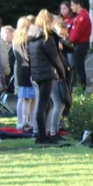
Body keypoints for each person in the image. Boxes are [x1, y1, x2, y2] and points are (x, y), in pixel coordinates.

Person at [28, 10, 66, 145]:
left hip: (36, 75)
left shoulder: (32, 37)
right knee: (43, 105)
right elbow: (55, 59)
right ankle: (42, 137)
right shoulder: (46, 38)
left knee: (41, 104)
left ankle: (40, 134)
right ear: (48, 22)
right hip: (45, 75)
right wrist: (61, 74)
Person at [13, 17, 35, 133]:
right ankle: (25, 122)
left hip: (21, 70)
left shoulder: (16, 39)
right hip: (28, 70)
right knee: (28, 98)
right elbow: (28, 56)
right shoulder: (26, 39)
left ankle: (21, 122)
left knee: (22, 98)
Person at [69, 0, 92, 90]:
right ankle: (80, 88)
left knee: (79, 69)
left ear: (78, 5)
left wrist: (69, 41)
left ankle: (81, 89)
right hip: (79, 44)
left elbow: (76, 33)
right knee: (78, 68)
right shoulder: (80, 16)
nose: (71, 7)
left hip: (80, 45)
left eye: (73, 5)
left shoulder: (82, 16)